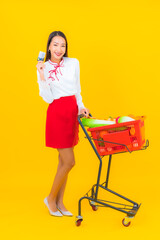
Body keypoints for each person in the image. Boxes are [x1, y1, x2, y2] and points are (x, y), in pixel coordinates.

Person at [36, 31, 90, 217]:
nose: (59, 49)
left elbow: (77, 89)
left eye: (63, 45)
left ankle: (60, 201)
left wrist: (81, 107)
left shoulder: (73, 63)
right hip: (57, 114)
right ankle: (50, 198)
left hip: (71, 113)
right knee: (69, 161)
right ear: (49, 46)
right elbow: (48, 97)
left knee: (62, 162)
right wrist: (42, 75)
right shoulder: (43, 67)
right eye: (56, 45)